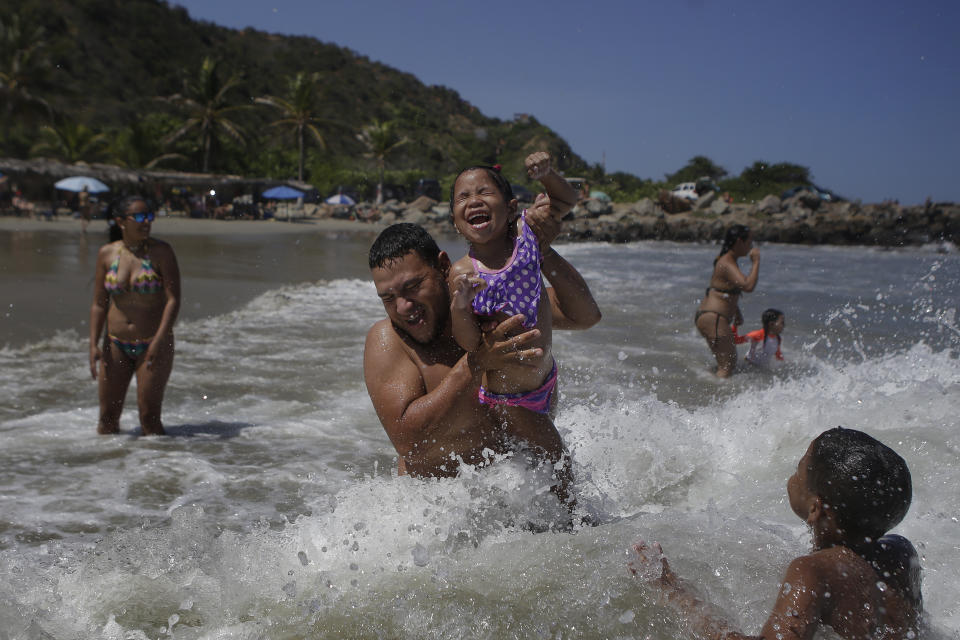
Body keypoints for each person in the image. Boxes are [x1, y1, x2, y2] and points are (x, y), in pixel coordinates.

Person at [363, 216, 600, 504]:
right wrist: (475, 363)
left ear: (443, 266)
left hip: (530, 495)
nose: (403, 307)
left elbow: (584, 315)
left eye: (413, 286)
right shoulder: (389, 340)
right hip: (443, 516)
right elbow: (407, 441)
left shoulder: (488, 302)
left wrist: (545, 252)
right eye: (388, 298)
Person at [628, 427, 922, 640]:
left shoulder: (812, 571)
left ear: (815, 509)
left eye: (799, 469)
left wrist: (676, 595)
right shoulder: (900, 552)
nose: (792, 477)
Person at [448, 152, 590, 435]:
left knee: (537, 465)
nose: (474, 200)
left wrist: (547, 174)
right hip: (505, 398)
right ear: (455, 222)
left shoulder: (528, 234)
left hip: (546, 381)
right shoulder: (463, 273)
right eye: (463, 197)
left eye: (484, 192)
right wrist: (460, 307)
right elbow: (470, 342)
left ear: (511, 208)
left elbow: (565, 201)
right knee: (557, 469)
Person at [89, 196, 181, 435]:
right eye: (139, 217)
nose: (146, 222)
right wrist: (93, 344)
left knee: (149, 418)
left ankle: (160, 470)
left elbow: (173, 300)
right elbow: (99, 304)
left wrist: (160, 339)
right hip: (115, 343)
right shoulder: (107, 254)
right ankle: (106, 469)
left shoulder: (162, 252)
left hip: (153, 343)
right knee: (107, 420)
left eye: (149, 216)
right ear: (121, 221)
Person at [695, 224, 759, 377]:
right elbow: (748, 286)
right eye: (749, 241)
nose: (751, 245)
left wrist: (736, 311)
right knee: (727, 366)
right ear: (739, 242)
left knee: (727, 363)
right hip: (714, 318)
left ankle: (713, 391)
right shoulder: (726, 262)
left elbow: (724, 289)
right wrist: (756, 262)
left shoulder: (728, 260)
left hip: (713, 317)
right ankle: (718, 398)